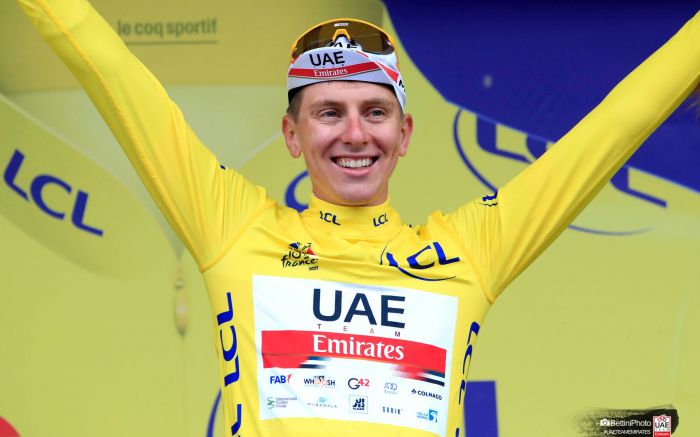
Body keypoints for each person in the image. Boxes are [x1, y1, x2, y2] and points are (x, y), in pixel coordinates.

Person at [16, 0, 699, 435]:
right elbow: (110, 71)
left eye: (375, 111)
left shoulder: (469, 251)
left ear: (404, 134)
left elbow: (614, 127)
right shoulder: (235, 230)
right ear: (292, 135)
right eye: (328, 112)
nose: (354, 133)